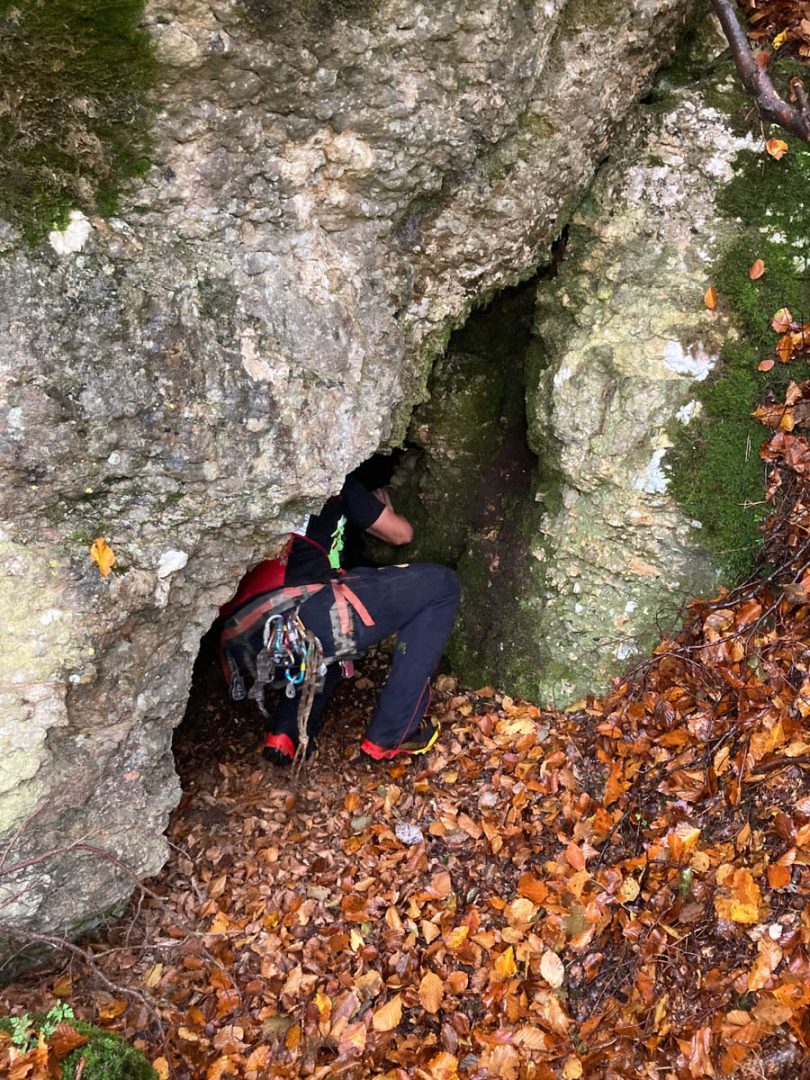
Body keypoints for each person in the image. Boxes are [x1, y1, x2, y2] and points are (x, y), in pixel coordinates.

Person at [219, 472, 460, 766]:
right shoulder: (331, 478)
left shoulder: (261, 482)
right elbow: (400, 533)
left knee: (325, 642)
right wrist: (385, 510)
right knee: (442, 586)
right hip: (300, 617)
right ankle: (393, 734)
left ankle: (286, 736)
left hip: (249, 638)